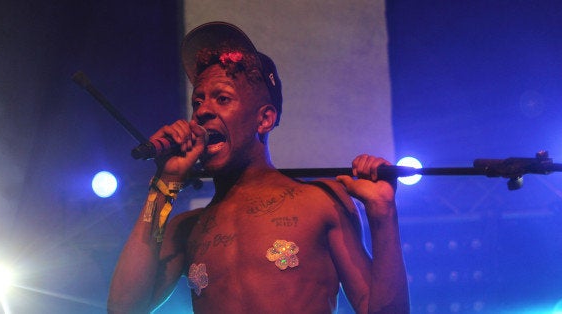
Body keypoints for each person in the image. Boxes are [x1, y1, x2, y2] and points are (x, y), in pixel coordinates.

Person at [108, 21, 409, 313]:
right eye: (197, 101)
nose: (202, 111)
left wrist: (382, 214)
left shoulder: (321, 202)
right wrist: (165, 182)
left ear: (263, 119)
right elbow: (122, 309)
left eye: (222, 98)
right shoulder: (186, 229)